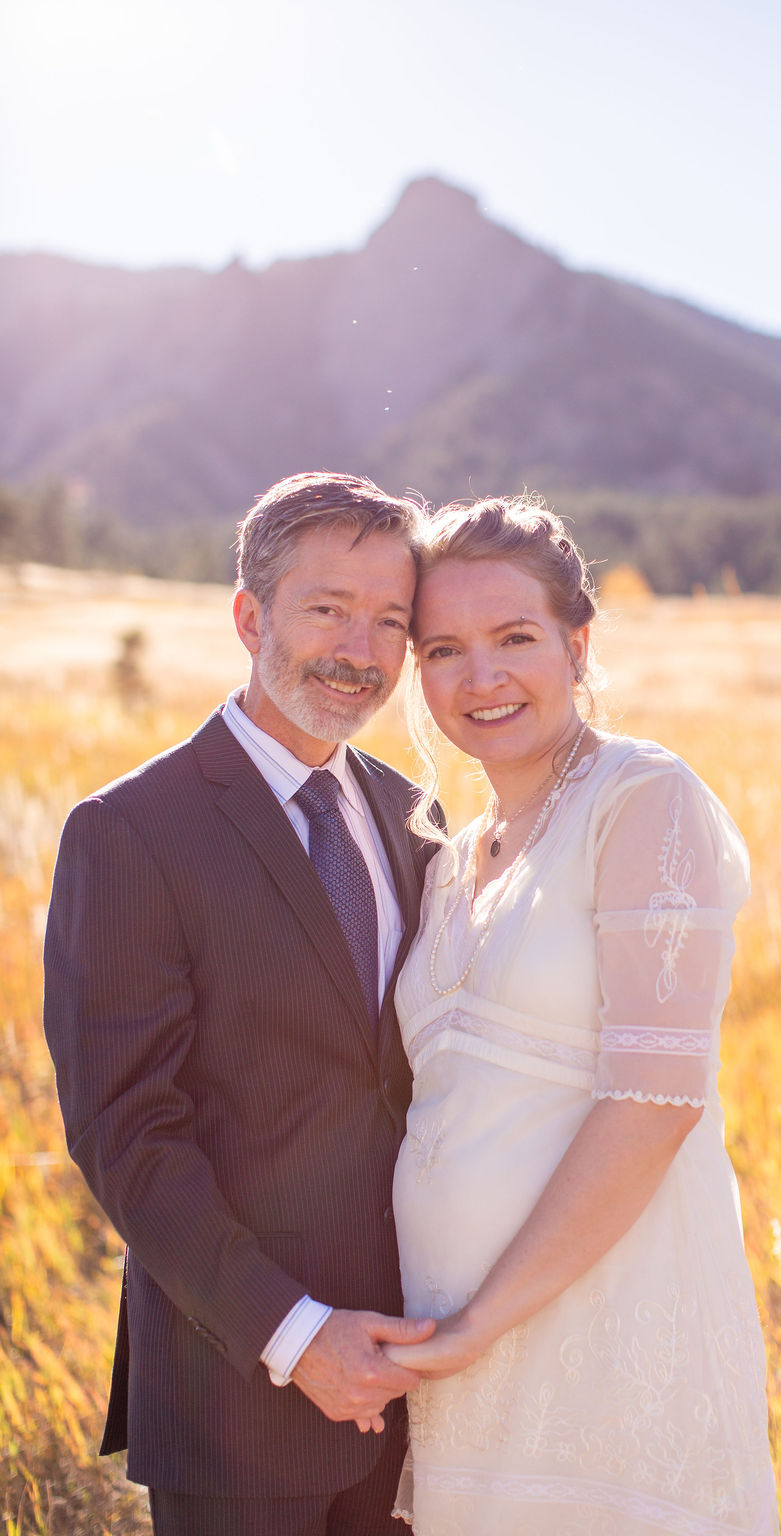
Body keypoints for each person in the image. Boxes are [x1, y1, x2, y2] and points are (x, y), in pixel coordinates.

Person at [43, 471, 441, 1536]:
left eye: (390, 620)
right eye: (327, 609)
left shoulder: (415, 819)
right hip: (238, 1396)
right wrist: (298, 1335)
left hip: (417, 1388)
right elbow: (126, 1133)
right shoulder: (130, 831)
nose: (360, 649)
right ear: (248, 616)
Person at [385, 496, 780, 1534]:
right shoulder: (447, 857)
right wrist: (451, 1334)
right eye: (443, 648)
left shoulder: (642, 798)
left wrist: (480, 1322)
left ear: (577, 642)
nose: (481, 678)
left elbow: (654, 1099)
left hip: (604, 1331)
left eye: (514, 637)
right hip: (457, 1355)